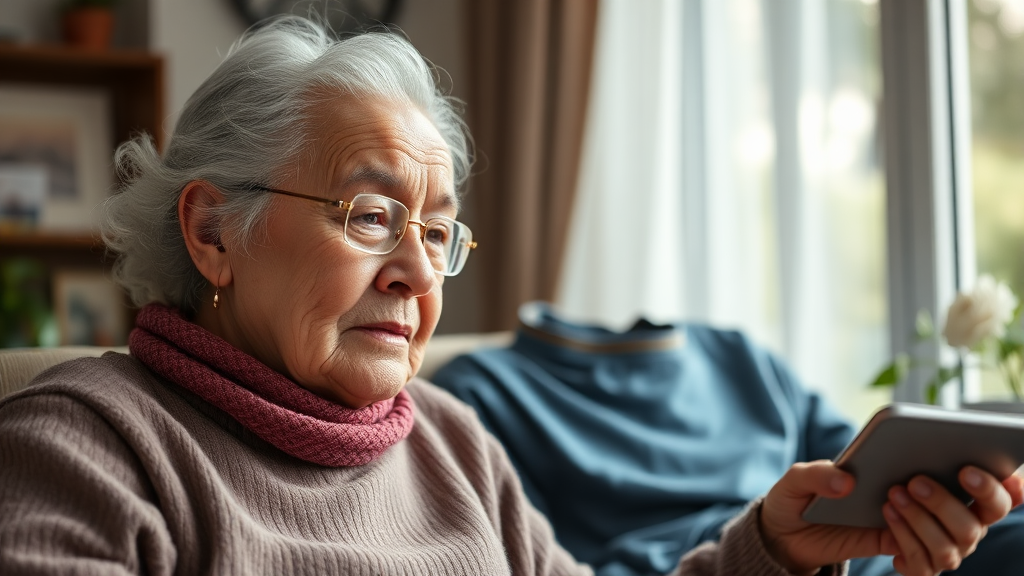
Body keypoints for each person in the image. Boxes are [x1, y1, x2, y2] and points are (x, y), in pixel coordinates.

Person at [0, 16, 1018, 576]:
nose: (412, 269)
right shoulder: (82, 450)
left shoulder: (448, 444)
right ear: (213, 232)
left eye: (436, 233)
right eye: (368, 215)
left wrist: (774, 551)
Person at [432, 301, 1024, 576]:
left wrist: (945, 497)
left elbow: (867, 462)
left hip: (898, 555)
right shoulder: (482, 392)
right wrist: (769, 545)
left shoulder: (740, 356)